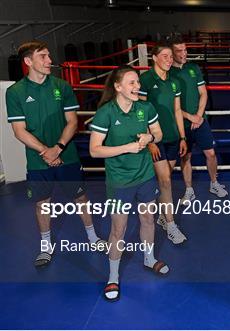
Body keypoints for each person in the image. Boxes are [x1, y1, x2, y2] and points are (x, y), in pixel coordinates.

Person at [6, 41, 106, 267]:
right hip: (38, 160)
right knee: (43, 202)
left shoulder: (62, 86)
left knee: (81, 197)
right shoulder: (15, 92)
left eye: (49, 56)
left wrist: (58, 148)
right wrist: (45, 151)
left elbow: (72, 121)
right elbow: (18, 130)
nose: (50, 61)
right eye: (43, 57)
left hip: (67, 155)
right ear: (28, 61)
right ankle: (45, 247)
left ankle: (92, 238)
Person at [90, 65, 169, 302]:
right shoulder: (106, 113)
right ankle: (112, 276)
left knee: (147, 219)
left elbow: (159, 133)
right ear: (118, 87)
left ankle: (149, 258)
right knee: (118, 229)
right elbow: (94, 150)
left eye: (138, 82)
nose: (137, 87)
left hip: (145, 176)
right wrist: (127, 147)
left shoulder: (145, 107)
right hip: (120, 181)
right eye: (132, 83)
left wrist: (150, 137)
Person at [138, 42, 187, 244]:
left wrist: (183, 137)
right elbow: (140, 113)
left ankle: (163, 214)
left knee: (165, 181)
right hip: (156, 140)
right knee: (166, 180)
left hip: (173, 137)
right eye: (165, 56)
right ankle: (171, 224)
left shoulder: (174, 82)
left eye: (170, 56)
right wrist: (149, 139)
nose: (169, 60)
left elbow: (177, 111)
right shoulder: (146, 80)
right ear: (154, 58)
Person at [169, 37, 228, 203]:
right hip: (181, 123)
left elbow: (203, 93)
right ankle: (189, 189)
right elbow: (171, 105)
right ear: (172, 54)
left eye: (185, 49)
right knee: (185, 157)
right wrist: (190, 116)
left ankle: (214, 183)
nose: (184, 53)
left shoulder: (193, 68)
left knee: (210, 153)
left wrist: (199, 116)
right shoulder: (168, 73)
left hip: (200, 121)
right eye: (179, 51)